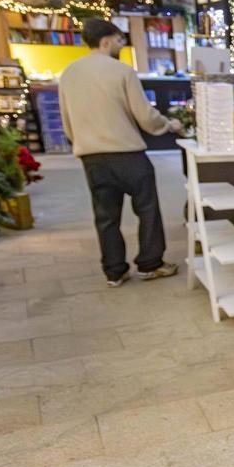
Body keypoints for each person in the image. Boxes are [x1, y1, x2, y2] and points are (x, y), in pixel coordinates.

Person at [58, 18, 183, 287]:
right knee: (147, 209)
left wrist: (83, 142)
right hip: (127, 154)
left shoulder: (69, 73)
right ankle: (151, 263)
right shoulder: (122, 72)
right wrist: (169, 125)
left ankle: (114, 271)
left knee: (105, 216)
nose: (120, 45)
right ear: (105, 41)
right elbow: (145, 116)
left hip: (92, 157)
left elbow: (67, 122)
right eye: (118, 40)